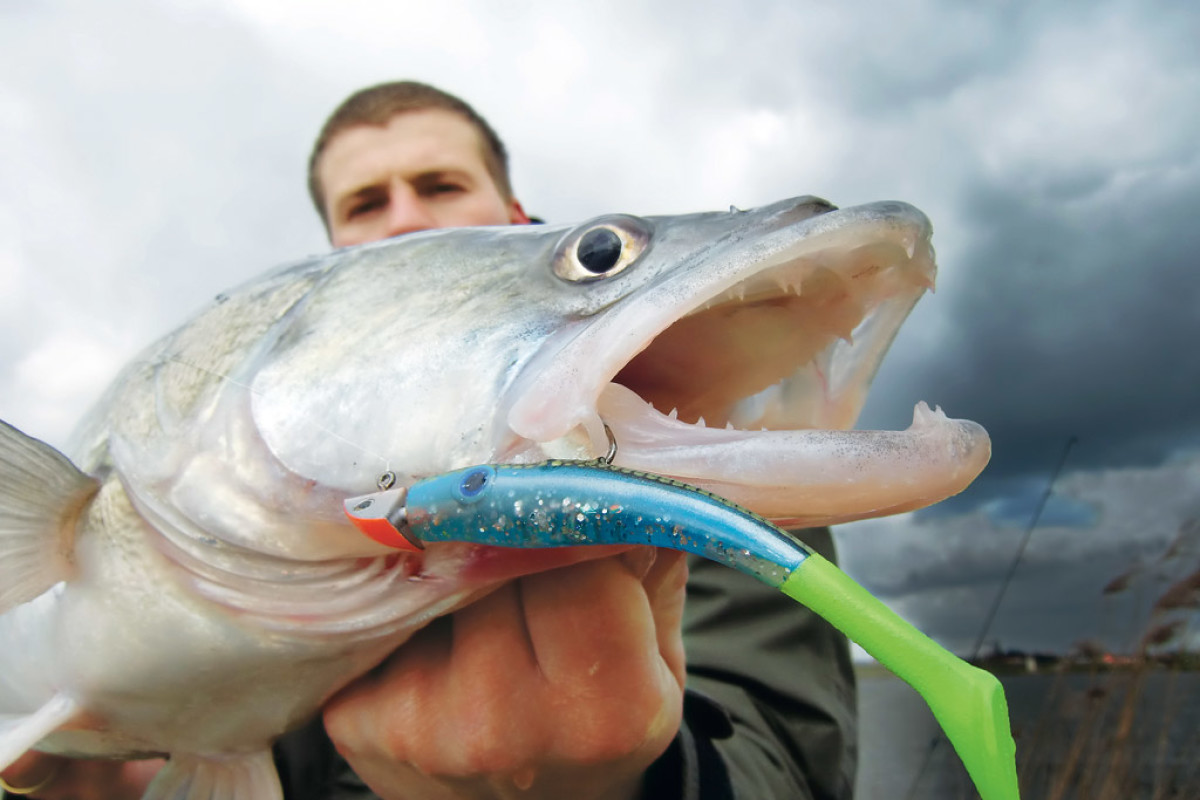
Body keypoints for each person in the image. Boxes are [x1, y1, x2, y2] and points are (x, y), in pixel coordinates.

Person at [0, 82, 856, 800]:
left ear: (514, 215)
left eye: (441, 185)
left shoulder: (695, 453)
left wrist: (650, 782)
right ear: (331, 256)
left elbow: (789, 753)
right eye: (365, 204)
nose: (404, 219)